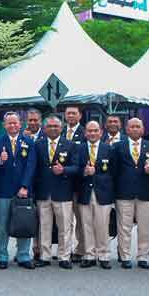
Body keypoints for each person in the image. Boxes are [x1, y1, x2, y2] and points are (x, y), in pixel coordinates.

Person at [0, 112, 36, 269]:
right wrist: (0, 160)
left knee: (23, 223)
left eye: (15, 123)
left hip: (22, 191)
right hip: (3, 191)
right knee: (1, 225)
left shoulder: (28, 142)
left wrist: (25, 186)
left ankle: (23, 256)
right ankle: (2, 256)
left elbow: (31, 166)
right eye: (9, 123)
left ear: (20, 124)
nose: (13, 125)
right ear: (4, 125)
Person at [113, 117, 149, 269]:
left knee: (144, 227)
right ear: (126, 129)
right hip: (124, 193)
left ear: (143, 129)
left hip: (145, 193)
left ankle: (142, 257)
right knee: (124, 227)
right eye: (131, 126)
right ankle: (125, 256)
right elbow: (114, 170)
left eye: (137, 126)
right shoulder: (118, 146)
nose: (134, 129)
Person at [33, 115, 80, 269]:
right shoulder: (38, 145)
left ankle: (64, 256)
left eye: (56, 126)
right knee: (44, 226)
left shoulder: (70, 145)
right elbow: (33, 168)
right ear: (45, 128)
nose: (53, 128)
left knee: (65, 227)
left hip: (63, 193)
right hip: (43, 192)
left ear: (61, 128)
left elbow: (77, 167)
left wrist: (64, 170)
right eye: (50, 126)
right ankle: (45, 256)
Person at [78, 121, 117, 268]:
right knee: (86, 225)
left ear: (100, 132)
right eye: (89, 131)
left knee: (102, 225)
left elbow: (114, 173)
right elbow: (76, 170)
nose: (92, 133)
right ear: (85, 133)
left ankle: (104, 255)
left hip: (103, 193)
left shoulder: (109, 149)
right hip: (85, 192)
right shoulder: (80, 149)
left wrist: (97, 174)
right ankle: (89, 255)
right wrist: (84, 172)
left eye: (95, 131)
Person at [61, 105, 87, 263]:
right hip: (62, 183)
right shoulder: (60, 131)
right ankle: (66, 250)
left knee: (80, 219)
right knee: (65, 220)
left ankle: (80, 249)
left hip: (79, 183)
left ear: (80, 116)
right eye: (68, 113)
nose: (70, 116)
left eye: (73, 113)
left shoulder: (86, 132)